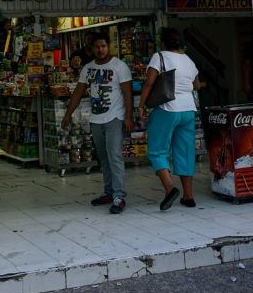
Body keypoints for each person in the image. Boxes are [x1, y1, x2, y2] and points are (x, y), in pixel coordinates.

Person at [61, 33, 133, 214]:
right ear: (92, 49)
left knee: (114, 156)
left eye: (103, 46)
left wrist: (129, 117)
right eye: (97, 47)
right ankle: (108, 192)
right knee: (103, 158)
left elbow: (128, 93)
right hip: (96, 119)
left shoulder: (119, 66)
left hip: (115, 117)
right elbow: (78, 91)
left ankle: (119, 196)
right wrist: (68, 114)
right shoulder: (88, 68)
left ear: (109, 47)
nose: (100, 50)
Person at [137, 28, 201, 210]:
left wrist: (141, 105)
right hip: (188, 110)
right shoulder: (188, 59)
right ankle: (188, 196)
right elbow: (196, 85)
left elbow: (150, 82)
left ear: (163, 44)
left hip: (167, 108)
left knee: (157, 151)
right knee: (185, 152)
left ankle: (170, 189)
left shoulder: (160, 56)